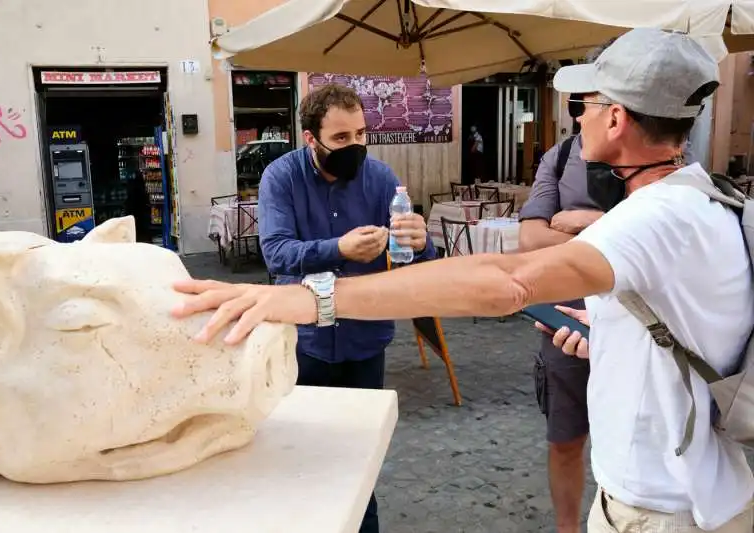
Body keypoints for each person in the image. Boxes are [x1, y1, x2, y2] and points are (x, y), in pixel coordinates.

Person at [173, 29, 754, 532]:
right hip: (673, 491)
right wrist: (611, 328)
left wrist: (305, 299)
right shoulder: (704, 199)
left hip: (664, 506)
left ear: (616, 117)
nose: (577, 115)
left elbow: (507, 278)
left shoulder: (653, 218)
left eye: (587, 103)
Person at [252, 83, 435, 533]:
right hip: (302, 341)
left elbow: (416, 260)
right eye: (341, 138)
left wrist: (421, 240)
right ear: (310, 139)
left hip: (364, 337)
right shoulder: (281, 176)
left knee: (359, 458)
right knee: (296, 453)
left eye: (360, 134)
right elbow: (276, 253)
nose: (354, 146)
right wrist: (339, 248)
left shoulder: (382, 179)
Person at [517, 40, 610, 533]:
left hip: (640, 330)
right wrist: (602, 229)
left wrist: (581, 221)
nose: (578, 116)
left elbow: (654, 239)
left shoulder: (673, 165)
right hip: (564, 326)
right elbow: (530, 237)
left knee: (629, 445)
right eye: (578, 104)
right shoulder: (560, 156)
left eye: (587, 103)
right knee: (565, 440)